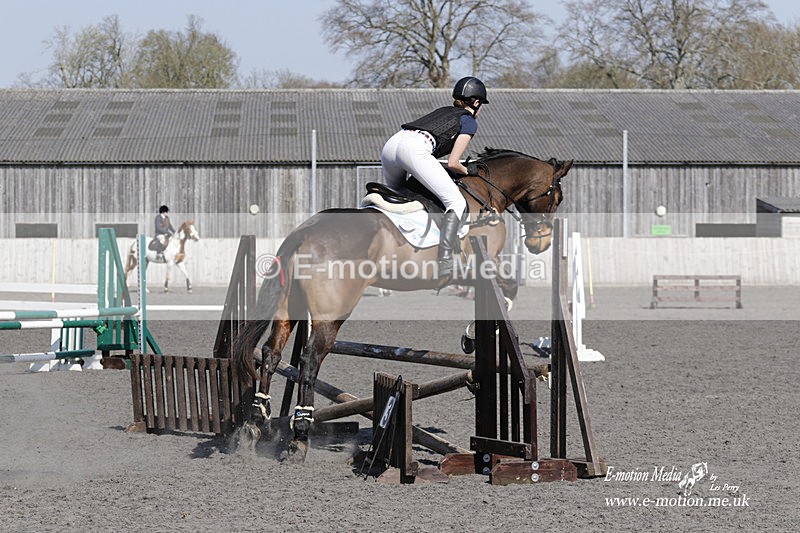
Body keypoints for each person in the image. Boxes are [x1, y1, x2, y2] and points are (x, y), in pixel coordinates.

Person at [380, 76, 488, 277]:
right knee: (456, 202)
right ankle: (445, 259)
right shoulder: (469, 121)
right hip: (414, 150)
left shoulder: (443, 111)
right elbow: (454, 163)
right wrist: (469, 171)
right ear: (476, 102)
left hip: (392, 144)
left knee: (398, 199)